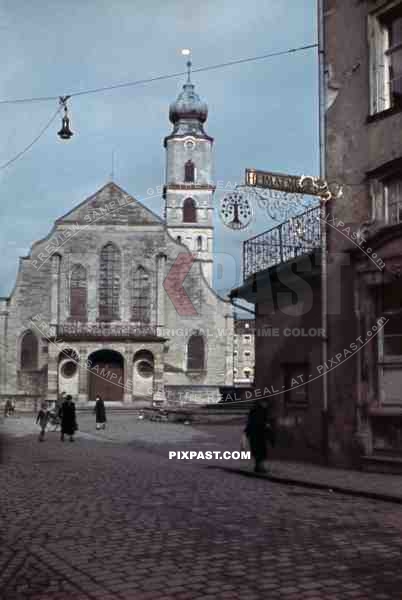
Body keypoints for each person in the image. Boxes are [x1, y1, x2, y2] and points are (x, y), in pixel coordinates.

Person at [244, 398, 276, 474]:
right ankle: (259, 467)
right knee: (259, 451)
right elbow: (255, 423)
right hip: (257, 434)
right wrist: (265, 425)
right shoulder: (257, 411)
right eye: (265, 403)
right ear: (261, 403)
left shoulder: (261, 410)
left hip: (258, 435)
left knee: (260, 451)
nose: (266, 405)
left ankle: (258, 467)